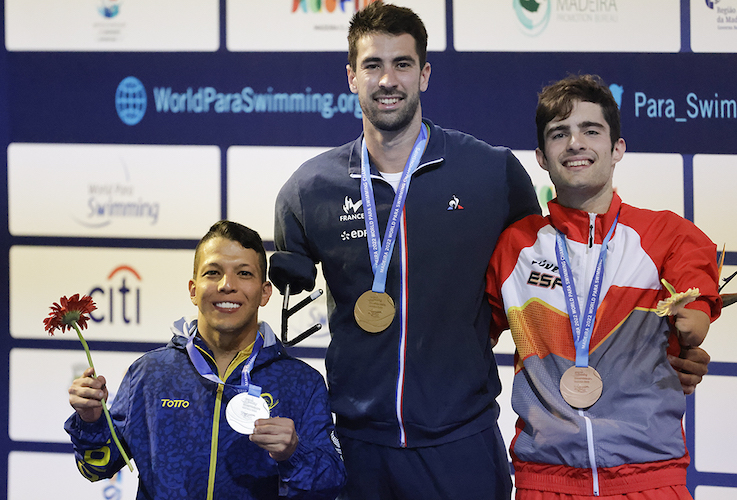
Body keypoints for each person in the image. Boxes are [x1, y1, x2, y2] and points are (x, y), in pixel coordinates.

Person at [271, 3, 711, 499]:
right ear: (352, 77)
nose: (387, 79)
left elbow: (562, 277)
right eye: (372, 65)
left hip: (463, 443)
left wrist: (663, 353)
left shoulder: (492, 173)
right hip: (357, 444)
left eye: (403, 64)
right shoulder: (309, 189)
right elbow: (275, 306)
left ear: (426, 74)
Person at [485, 74, 722, 499]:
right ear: (541, 157)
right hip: (545, 479)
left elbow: (694, 317)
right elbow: (465, 340)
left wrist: (692, 334)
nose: (575, 143)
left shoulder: (667, 234)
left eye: (591, 131)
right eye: (560, 133)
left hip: (649, 477)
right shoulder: (514, 246)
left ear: (618, 149)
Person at [65, 220, 346, 500]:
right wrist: (91, 421)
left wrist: (293, 452)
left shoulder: (301, 383)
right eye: (213, 272)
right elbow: (96, 467)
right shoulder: (150, 374)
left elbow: (332, 483)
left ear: (264, 292)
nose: (227, 285)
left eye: (244, 273)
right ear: (193, 289)